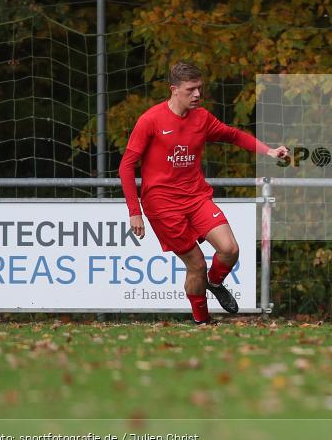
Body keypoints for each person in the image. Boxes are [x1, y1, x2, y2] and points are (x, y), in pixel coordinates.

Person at [119, 61, 288, 325]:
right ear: (174, 90)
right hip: (162, 205)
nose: (198, 94)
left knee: (230, 249)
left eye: (200, 88)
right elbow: (126, 166)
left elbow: (233, 135)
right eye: (191, 90)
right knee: (196, 264)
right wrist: (134, 212)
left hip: (196, 197)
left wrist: (269, 151)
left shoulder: (202, 118)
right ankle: (202, 321)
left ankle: (214, 282)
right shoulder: (151, 120)